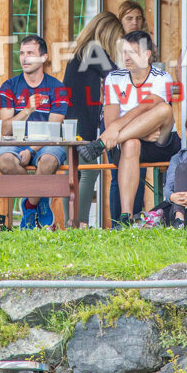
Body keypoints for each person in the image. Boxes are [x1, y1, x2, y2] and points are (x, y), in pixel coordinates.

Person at [78, 31, 179, 228]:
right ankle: (126, 216)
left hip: (161, 139)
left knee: (164, 110)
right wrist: (136, 131)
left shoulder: (163, 77)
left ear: (147, 54)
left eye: (133, 52)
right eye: (124, 52)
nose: (126, 57)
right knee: (131, 143)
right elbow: (110, 118)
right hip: (130, 142)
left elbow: (147, 108)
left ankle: (103, 144)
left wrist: (114, 132)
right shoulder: (114, 78)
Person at [0, 35, 68, 229]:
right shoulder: (9, 86)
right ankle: (40, 197)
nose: (24, 58)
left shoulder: (57, 88)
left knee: (49, 161)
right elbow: (5, 129)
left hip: (46, 145)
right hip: (14, 143)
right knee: (4, 160)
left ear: (44, 58)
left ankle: (28, 204)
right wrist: (27, 110)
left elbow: (54, 130)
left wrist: (32, 151)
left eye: (30, 53)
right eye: (22, 53)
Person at [65, 12, 124, 226]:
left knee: (73, 176)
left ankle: (72, 221)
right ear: (108, 33)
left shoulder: (82, 51)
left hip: (73, 122)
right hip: (80, 124)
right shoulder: (93, 49)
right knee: (87, 173)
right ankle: (77, 223)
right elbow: (117, 75)